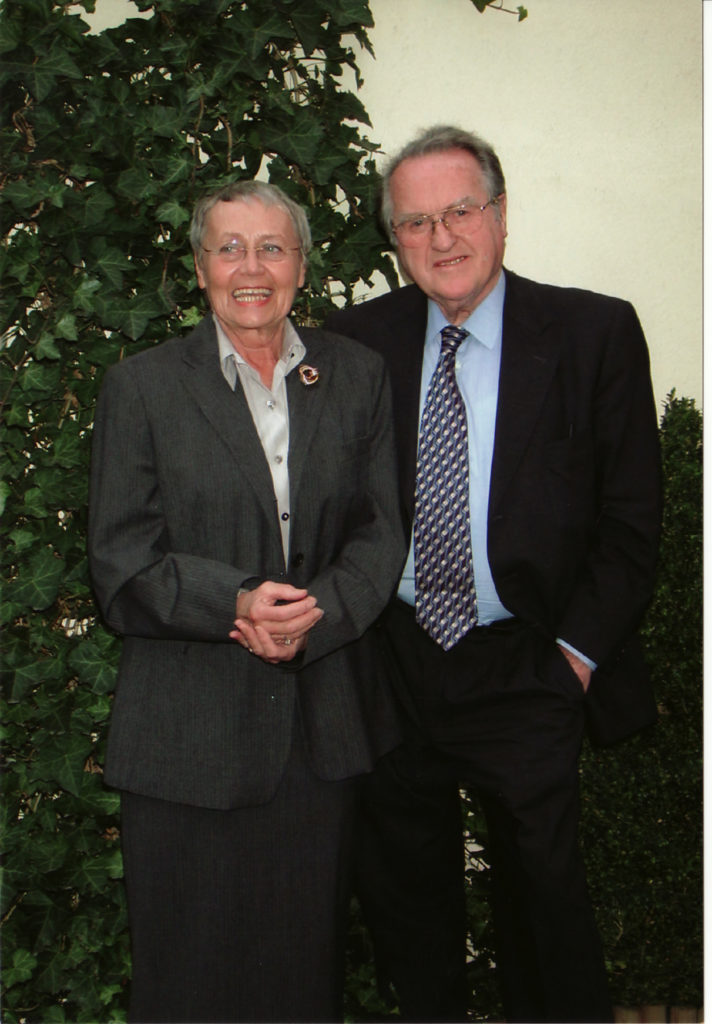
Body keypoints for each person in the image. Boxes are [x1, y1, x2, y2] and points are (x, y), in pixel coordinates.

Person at [325, 125, 662, 1023]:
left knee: (545, 905)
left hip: (526, 659)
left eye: (461, 212)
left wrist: (574, 660)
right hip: (394, 660)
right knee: (405, 902)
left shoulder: (593, 332)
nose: (442, 240)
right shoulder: (354, 344)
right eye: (415, 223)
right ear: (393, 241)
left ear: (501, 215)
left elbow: (632, 526)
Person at [88, 179, 405, 1023]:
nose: (251, 267)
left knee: (300, 985)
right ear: (199, 269)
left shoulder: (357, 376)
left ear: (302, 265)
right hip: (183, 740)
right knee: (187, 985)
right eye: (230, 248)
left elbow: (381, 532)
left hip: (318, 733)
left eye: (272, 247)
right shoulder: (143, 388)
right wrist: (233, 605)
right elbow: (120, 562)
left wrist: (315, 617)